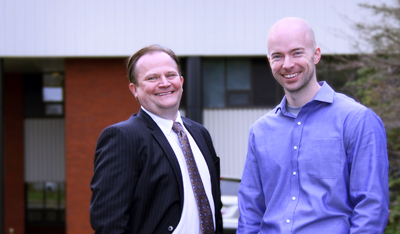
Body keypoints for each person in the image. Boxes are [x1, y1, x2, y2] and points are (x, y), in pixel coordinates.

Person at [238, 17, 389, 233]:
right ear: (269, 60)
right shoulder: (260, 131)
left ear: (316, 54)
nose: (287, 64)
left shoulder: (357, 120)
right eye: (278, 56)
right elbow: (250, 211)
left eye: (297, 53)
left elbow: (371, 209)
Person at [90, 44, 222, 234]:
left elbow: (213, 203)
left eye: (170, 75)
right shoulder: (122, 138)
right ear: (134, 89)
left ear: (181, 81)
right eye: (152, 78)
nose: (164, 83)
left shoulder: (200, 133)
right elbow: (109, 223)